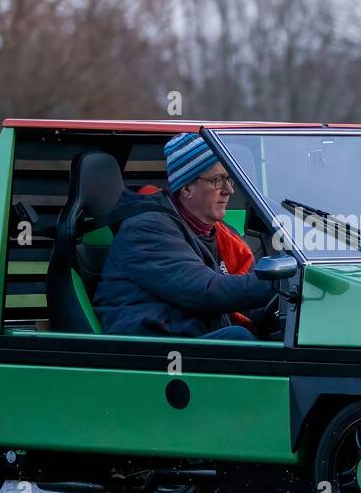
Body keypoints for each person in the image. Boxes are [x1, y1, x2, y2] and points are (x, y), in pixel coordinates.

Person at [93, 132, 275, 339]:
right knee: (238, 339)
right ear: (187, 187)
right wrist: (283, 283)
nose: (229, 190)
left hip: (187, 340)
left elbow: (245, 302)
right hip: (151, 351)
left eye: (229, 179)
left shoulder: (215, 233)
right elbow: (206, 291)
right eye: (217, 180)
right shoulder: (146, 229)